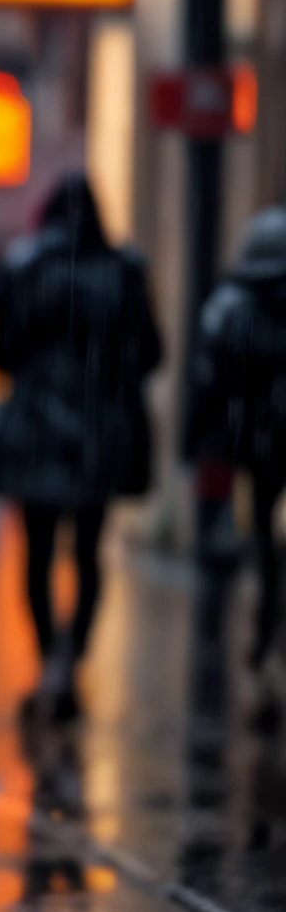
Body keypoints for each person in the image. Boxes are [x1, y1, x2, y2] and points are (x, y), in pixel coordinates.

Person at [0, 173, 161, 722]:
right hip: (100, 432)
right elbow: (151, 352)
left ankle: (46, 658)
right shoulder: (125, 271)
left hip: (36, 429)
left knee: (36, 554)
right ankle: (70, 658)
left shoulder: (24, 267)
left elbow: (4, 353)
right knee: (88, 551)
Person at [186, 205, 286, 724]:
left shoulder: (229, 306)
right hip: (272, 438)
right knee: (267, 541)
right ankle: (267, 638)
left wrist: (199, 440)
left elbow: (207, 381)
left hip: (244, 439)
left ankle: (249, 645)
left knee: (248, 540)